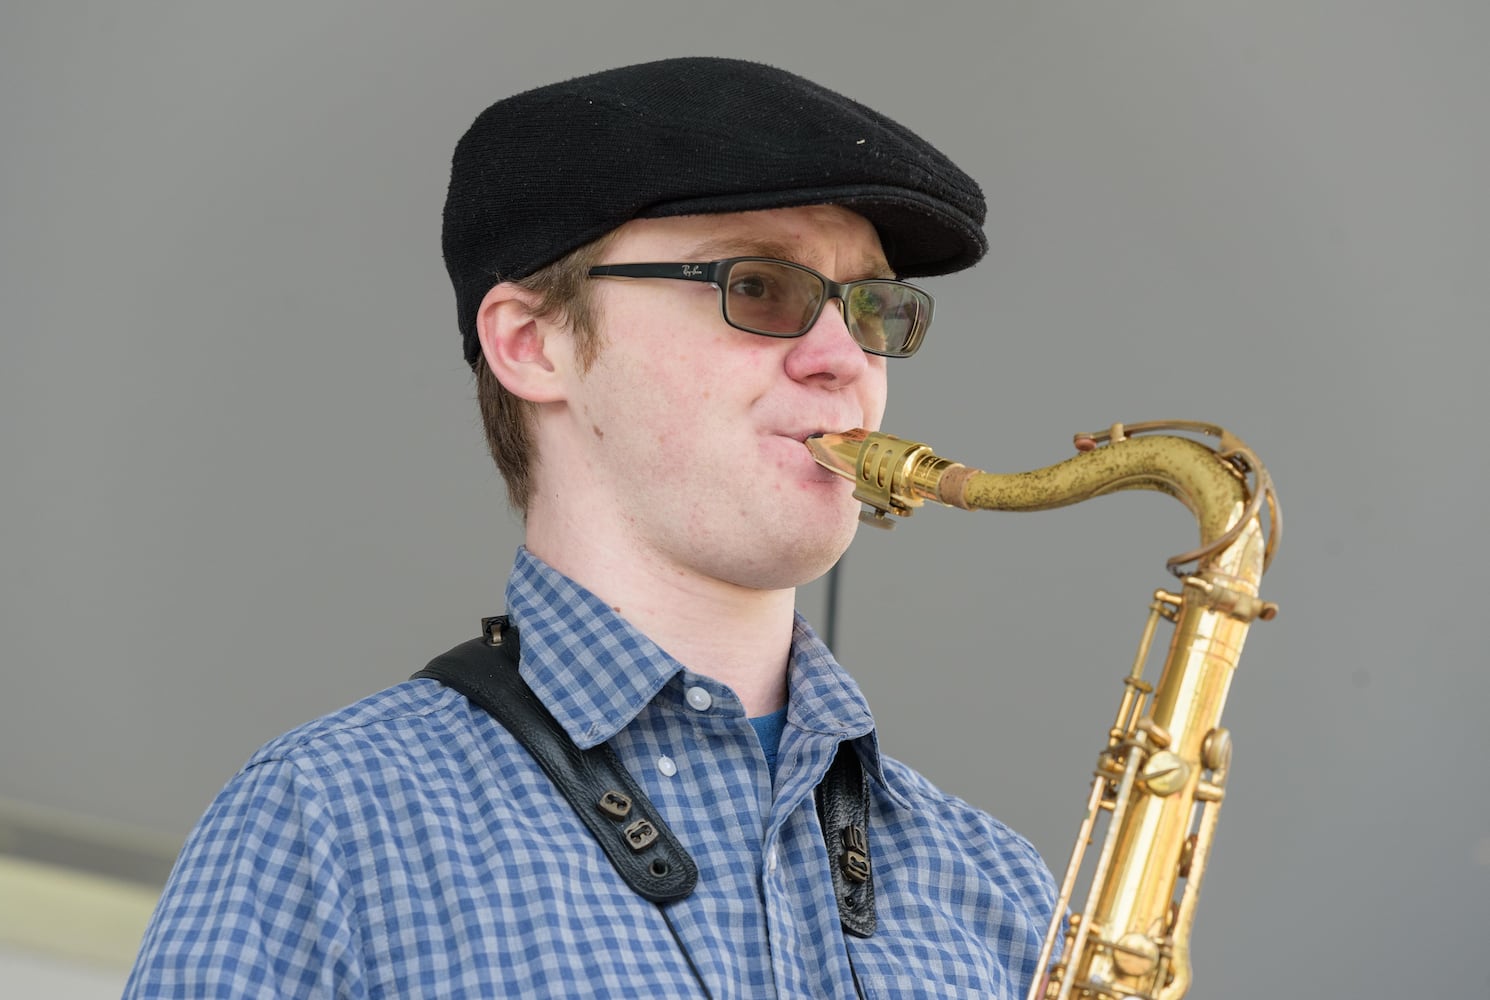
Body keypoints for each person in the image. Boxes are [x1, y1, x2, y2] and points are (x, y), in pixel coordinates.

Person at [125, 57, 1058, 998]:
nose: (843, 359)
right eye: (762, 287)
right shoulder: (328, 822)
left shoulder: (1000, 891)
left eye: (872, 306)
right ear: (533, 344)